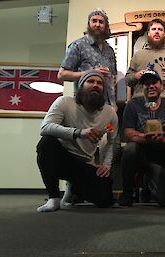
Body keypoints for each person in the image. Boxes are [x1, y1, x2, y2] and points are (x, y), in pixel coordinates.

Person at [36, 69, 118, 212]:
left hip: (85, 163)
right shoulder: (64, 102)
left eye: (99, 83)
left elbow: (111, 142)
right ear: (81, 85)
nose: (95, 85)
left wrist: (106, 165)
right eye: (90, 81)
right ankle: (54, 198)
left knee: (105, 200)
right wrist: (78, 133)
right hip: (62, 159)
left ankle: (74, 188)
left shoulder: (109, 112)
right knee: (46, 143)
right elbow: (45, 127)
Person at [118, 68, 165, 207]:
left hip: (160, 156)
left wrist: (161, 138)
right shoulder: (132, 105)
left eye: (154, 83)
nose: (151, 86)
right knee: (130, 149)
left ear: (161, 86)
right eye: (146, 84)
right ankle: (128, 192)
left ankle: (146, 184)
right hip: (139, 153)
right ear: (142, 87)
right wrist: (146, 137)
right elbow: (128, 133)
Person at [58, 8, 117, 110]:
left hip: (106, 107)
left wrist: (113, 104)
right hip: (84, 106)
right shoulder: (78, 46)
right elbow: (62, 74)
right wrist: (90, 73)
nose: (97, 25)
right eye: (94, 21)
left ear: (105, 26)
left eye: (101, 22)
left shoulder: (110, 50)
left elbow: (112, 78)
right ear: (89, 24)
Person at [125, 18, 165, 104]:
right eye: (154, 29)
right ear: (148, 34)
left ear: (164, 34)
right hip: (140, 101)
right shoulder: (138, 56)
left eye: (160, 29)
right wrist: (135, 76)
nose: (157, 32)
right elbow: (128, 80)